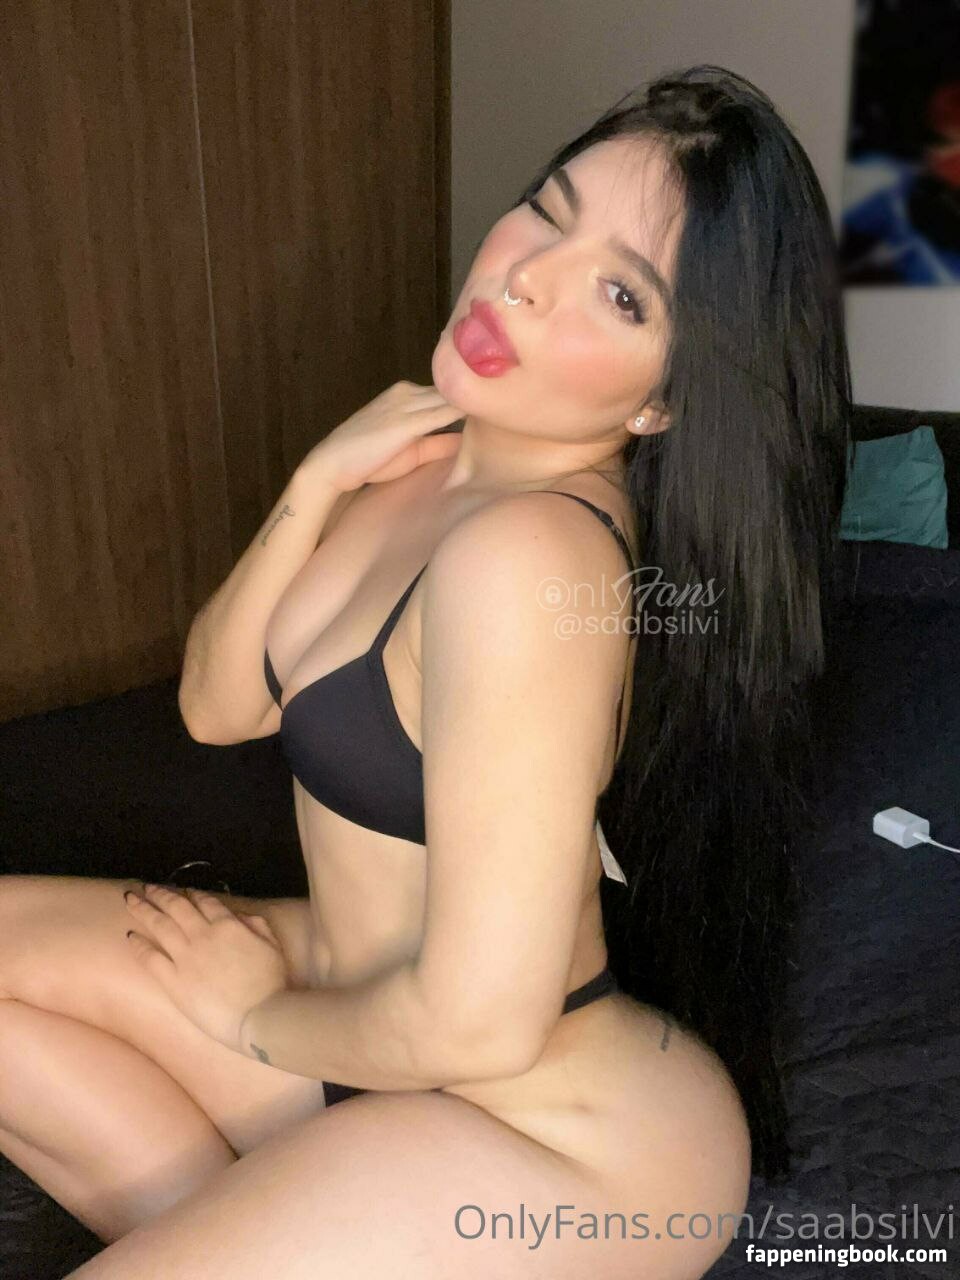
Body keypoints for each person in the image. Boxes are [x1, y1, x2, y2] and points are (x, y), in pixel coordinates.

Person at [0, 63, 850, 1279]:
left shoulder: (533, 556)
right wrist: (316, 484)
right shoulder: (420, 467)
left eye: (620, 294)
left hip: (540, 1131)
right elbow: (217, 706)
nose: (527, 276)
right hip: (351, 1017)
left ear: (663, 404)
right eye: (546, 213)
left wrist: (251, 1014)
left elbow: (483, 1020)